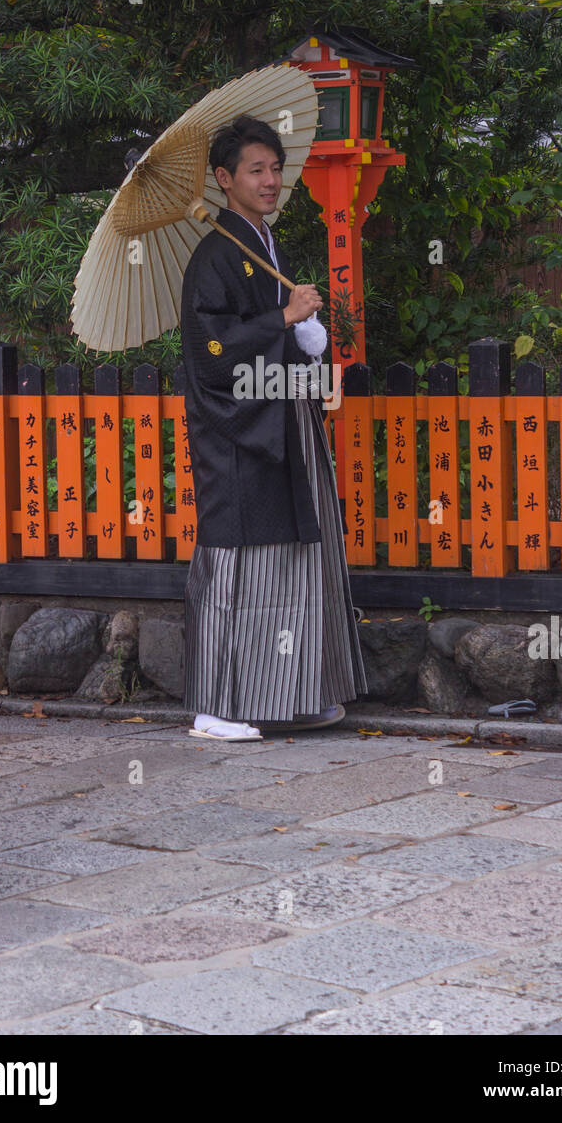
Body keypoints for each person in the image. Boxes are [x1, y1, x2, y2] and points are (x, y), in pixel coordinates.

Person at [180, 113, 368, 740]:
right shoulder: (214, 255)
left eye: (275, 169)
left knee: (291, 563)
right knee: (238, 563)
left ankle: (285, 692)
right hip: (238, 436)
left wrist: (303, 337)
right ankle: (216, 705)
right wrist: (281, 318)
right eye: (255, 170)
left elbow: (271, 335)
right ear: (223, 179)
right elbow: (210, 353)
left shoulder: (260, 244)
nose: (269, 180)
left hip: (283, 419)